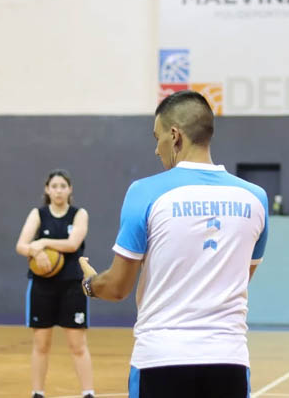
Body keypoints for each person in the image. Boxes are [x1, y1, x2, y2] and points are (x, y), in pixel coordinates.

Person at [78, 90, 268, 398]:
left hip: (161, 359)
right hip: (229, 360)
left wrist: (90, 284)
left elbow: (117, 287)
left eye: (158, 138)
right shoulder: (256, 199)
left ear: (175, 136)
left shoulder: (145, 193)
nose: (157, 150)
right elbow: (240, 278)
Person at [15, 169, 95, 398]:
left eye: (63, 186)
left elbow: (72, 244)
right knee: (41, 344)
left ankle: (88, 392)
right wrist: (35, 251)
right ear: (47, 190)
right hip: (42, 286)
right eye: (54, 186)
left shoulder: (79, 214)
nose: (58, 190)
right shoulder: (38, 214)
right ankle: (37, 392)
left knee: (77, 344)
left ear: (70, 190)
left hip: (72, 285)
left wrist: (42, 242)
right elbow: (21, 245)